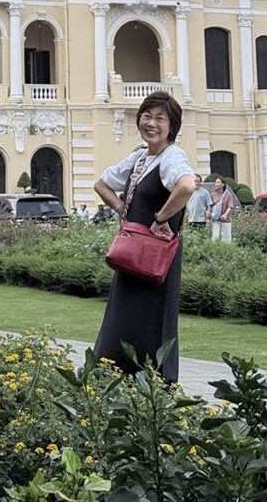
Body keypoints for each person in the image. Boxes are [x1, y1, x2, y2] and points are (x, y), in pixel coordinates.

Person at [93, 91, 195, 383]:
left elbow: (187, 186)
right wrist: (120, 208)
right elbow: (102, 183)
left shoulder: (172, 156)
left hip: (156, 258)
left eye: (160, 118)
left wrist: (161, 218)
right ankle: (115, 378)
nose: (151, 123)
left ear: (172, 127)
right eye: (146, 116)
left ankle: (154, 387)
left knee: (152, 321)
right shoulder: (140, 157)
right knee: (123, 318)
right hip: (132, 254)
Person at [209, 177, 233, 242]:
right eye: (215, 182)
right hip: (216, 219)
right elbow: (210, 206)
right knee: (215, 238)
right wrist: (209, 215)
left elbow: (230, 206)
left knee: (226, 240)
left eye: (218, 182)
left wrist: (225, 215)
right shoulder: (212, 194)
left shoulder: (228, 194)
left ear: (223, 184)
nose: (216, 184)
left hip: (226, 220)